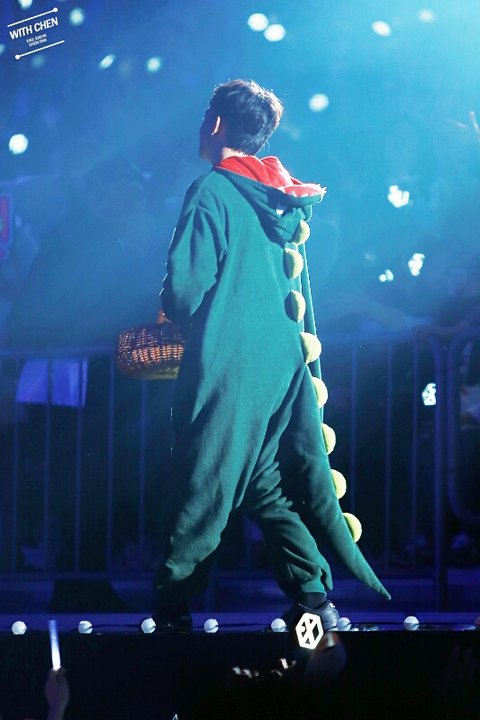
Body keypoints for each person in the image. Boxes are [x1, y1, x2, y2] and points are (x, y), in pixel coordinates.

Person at [153, 79, 390, 631]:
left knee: (202, 478)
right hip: (280, 361)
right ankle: (313, 596)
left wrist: (168, 302)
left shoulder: (213, 191)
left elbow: (184, 293)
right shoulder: (282, 198)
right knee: (265, 483)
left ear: (215, 124)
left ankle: (172, 607)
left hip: (228, 362)